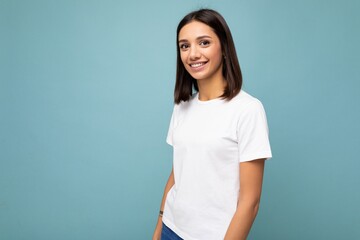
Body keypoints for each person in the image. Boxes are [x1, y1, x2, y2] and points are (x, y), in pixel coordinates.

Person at [153, 9, 272, 240]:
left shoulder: (247, 109)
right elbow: (179, 172)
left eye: (204, 42)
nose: (193, 54)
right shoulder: (182, 106)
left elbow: (250, 203)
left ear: (224, 48)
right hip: (171, 228)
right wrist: (159, 226)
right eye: (184, 46)